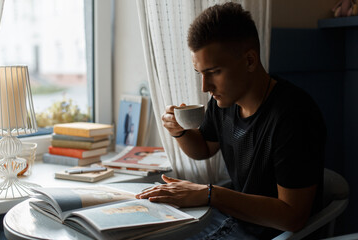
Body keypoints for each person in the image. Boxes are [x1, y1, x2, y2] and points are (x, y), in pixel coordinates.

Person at [136, 2, 326, 239]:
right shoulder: (223, 103)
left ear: (249, 61)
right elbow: (204, 147)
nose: (205, 87)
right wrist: (179, 132)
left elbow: (293, 216)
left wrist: (209, 194)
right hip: (235, 222)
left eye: (214, 72)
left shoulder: (294, 115)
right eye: (200, 74)